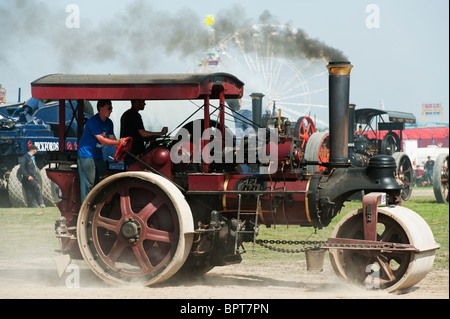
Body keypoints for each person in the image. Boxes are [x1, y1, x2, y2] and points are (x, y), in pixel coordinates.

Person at [77, 99, 125, 203]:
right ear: (101, 109)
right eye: (109, 108)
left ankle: (95, 205)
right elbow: (102, 139)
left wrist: (122, 149)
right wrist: (118, 142)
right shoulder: (93, 121)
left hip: (97, 154)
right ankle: (85, 208)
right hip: (87, 154)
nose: (111, 110)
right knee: (88, 184)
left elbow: (112, 139)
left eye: (111, 108)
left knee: (99, 181)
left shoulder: (109, 122)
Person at [120, 99, 168, 166]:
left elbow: (133, 133)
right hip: (133, 154)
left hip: (129, 153)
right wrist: (160, 133)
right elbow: (142, 133)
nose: (144, 104)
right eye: (143, 101)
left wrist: (148, 139)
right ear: (136, 102)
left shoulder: (127, 114)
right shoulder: (134, 115)